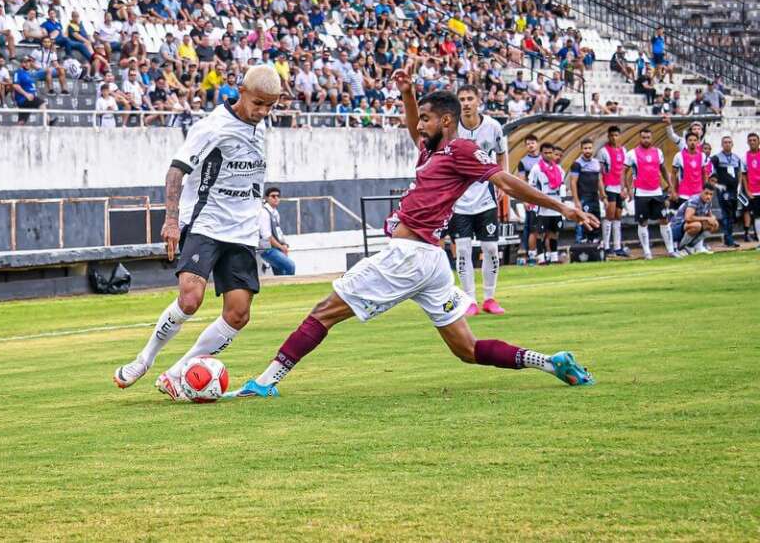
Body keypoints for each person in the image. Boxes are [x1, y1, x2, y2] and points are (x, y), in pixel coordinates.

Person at [230, 81, 597, 400]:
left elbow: (504, 181)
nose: (419, 126)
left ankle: (264, 382)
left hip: (408, 256)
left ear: (446, 121)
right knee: (466, 350)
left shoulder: (462, 151)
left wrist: (562, 207)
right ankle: (550, 362)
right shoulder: (432, 153)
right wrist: (407, 93)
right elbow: (413, 130)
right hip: (431, 263)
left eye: (426, 119)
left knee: (323, 312)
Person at [113, 65, 282, 401]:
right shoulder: (213, 127)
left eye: (270, 106)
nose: (263, 112)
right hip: (206, 224)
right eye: (258, 103)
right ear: (241, 91)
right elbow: (176, 171)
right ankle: (144, 358)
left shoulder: (259, 128)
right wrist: (172, 221)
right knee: (190, 299)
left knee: (238, 314)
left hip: (243, 233)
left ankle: (176, 374)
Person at [450, 85, 506, 315]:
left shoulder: (493, 127)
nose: (465, 103)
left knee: (491, 248)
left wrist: (503, 181)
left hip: (485, 197)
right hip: (459, 199)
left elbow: (502, 154)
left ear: (478, 100)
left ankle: (490, 298)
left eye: (469, 98)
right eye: (461, 99)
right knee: (462, 249)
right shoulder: (451, 128)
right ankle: (470, 300)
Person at [624, 128, 676, 259]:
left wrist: (670, 185)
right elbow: (623, 172)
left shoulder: (658, 152)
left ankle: (671, 250)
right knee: (643, 222)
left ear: (651, 138)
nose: (646, 140)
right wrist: (626, 188)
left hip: (656, 191)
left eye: (648, 137)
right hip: (641, 193)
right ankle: (647, 252)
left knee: (664, 219)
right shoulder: (632, 154)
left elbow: (663, 169)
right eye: (643, 137)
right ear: (639, 138)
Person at [528, 142, 565, 264]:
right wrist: (531, 201)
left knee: (554, 232)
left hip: (556, 204)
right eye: (546, 153)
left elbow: (562, 185)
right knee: (540, 233)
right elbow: (531, 186)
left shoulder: (559, 169)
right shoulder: (536, 168)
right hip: (542, 205)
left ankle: (554, 257)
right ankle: (541, 258)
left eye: (550, 153)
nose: (548, 155)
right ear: (541, 153)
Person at [596, 126, 629, 257]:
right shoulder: (603, 152)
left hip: (619, 188)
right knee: (609, 215)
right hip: (609, 187)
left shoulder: (624, 150)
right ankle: (606, 246)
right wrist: (602, 191)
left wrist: (625, 188)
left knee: (618, 216)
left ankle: (617, 246)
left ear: (619, 136)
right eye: (612, 135)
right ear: (608, 137)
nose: (614, 138)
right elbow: (599, 173)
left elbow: (625, 172)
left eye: (616, 135)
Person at [569, 138, 605, 244]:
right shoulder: (577, 164)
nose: (587, 151)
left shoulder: (596, 163)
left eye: (589, 148)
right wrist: (576, 200)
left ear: (593, 149)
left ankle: (594, 242)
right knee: (583, 220)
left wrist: (603, 196)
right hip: (583, 197)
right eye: (585, 148)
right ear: (581, 150)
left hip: (594, 197)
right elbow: (573, 182)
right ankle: (581, 243)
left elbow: (599, 180)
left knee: (595, 219)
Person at [711, 136, 743, 248]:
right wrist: (716, 185)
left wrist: (738, 185)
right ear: (721, 144)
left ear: (732, 144)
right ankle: (729, 239)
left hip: (734, 191)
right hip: (723, 191)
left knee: (732, 215)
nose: (727, 144)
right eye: (725, 142)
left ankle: (728, 237)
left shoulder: (736, 158)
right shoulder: (716, 158)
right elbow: (710, 172)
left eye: (729, 142)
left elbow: (739, 172)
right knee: (726, 214)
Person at [670, 184, 718, 257]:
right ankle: (680, 248)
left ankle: (691, 246)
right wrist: (707, 218)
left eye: (711, 194)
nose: (708, 196)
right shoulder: (695, 200)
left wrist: (713, 218)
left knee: (714, 225)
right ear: (701, 191)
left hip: (687, 227)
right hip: (676, 227)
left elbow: (710, 216)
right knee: (697, 225)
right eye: (706, 193)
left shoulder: (708, 202)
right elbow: (688, 218)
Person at [259, 186, 295, 276]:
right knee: (290, 266)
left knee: (280, 274)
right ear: (266, 198)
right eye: (273, 196)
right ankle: (289, 287)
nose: (276, 198)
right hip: (266, 249)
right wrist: (281, 247)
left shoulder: (275, 213)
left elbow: (279, 232)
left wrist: (284, 244)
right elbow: (267, 236)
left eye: (278, 196)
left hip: (275, 248)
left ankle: (285, 289)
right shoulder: (264, 212)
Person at [516, 134, 541, 262]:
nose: (531, 145)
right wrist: (525, 199)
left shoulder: (544, 159)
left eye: (533, 143)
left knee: (543, 228)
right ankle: (529, 253)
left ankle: (544, 254)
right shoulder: (523, 162)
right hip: (531, 199)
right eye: (528, 144)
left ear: (537, 143)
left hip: (544, 199)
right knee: (531, 227)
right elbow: (522, 182)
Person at [671, 132, 710, 206]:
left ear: (698, 142)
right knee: (685, 216)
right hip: (683, 194)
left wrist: (706, 191)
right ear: (686, 142)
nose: (693, 142)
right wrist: (673, 191)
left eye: (695, 140)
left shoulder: (703, 156)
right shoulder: (679, 156)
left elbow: (705, 174)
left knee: (698, 216)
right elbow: (673, 174)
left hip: (698, 193)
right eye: (690, 140)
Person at [741, 132, 760, 248]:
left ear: (759, 141)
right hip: (754, 192)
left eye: (754, 140)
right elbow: (743, 176)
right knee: (757, 216)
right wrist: (747, 190)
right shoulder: (744, 158)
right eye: (750, 140)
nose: (752, 142)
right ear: (748, 142)